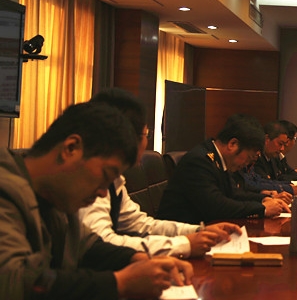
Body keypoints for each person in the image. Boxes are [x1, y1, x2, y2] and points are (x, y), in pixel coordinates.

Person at [0, 102, 193, 300]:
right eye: (105, 175)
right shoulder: (6, 187)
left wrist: (138, 259)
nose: (103, 193)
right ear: (71, 148)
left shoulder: (56, 197)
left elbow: (88, 246)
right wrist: (120, 283)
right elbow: (11, 284)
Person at [78, 88, 241, 258]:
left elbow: (140, 224)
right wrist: (184, 244)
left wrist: (200, 231)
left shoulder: (114, 178)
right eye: (147, 134)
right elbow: (100, 242)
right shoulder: (88, 177)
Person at [158, 114, 290, 224]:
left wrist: (263, 199)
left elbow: (233, 193)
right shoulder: (199, 161)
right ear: (233, 144)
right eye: (249, 157)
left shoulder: (218, 158)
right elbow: (216, 206)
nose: (246, 164)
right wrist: (262, 209)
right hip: (179, 236)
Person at [238, 120, 297, 197]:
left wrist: (292, 186)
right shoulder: (255, 160)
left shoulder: (272, 157)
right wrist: (292, 188)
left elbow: (259, 181)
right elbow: (252, 185)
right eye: (280, 144)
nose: (282, 148)